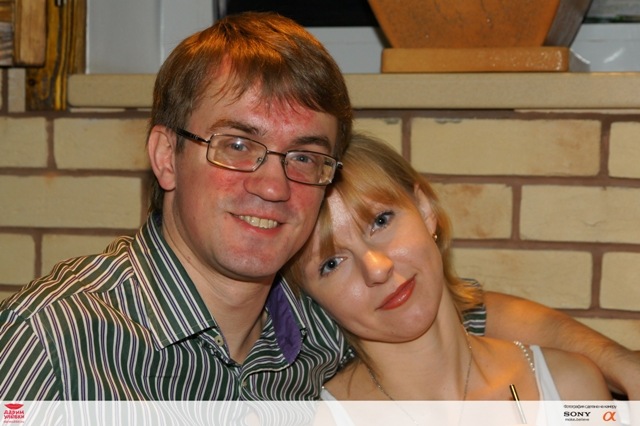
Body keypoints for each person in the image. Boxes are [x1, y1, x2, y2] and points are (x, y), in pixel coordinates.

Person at [0, 12, 637, 403]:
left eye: (303, 156)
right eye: (238, 145)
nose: (273, 185)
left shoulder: (312, 317)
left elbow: (468, 309)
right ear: (167, 156)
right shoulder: (53, 340)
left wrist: (619, 365)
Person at [283, 133, 612, 406]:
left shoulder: (571, 387)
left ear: (425, 209)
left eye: (381, 221)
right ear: (309, 296)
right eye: (331, 263)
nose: (377, 268)